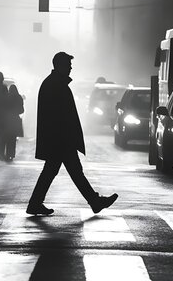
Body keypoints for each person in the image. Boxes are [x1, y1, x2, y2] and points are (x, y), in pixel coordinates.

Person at [27, 52, 118, 216]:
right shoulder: (56, 85)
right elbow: (62, 116)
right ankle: (94, 201)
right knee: (72, 171)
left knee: (58, 171)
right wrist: (69, 137)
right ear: (60, 66)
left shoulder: (53, 83)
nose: (70, 68)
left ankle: (35, 203)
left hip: (58, 139)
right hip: (60, 139)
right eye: (68, 65)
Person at [4, 84, 24, 161]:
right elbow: (22, 110)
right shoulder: (19, 98)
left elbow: (3, 108)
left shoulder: (6, 97)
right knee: (13, 138)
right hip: (15, 120)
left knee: (7, 138)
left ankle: (7, 154)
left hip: (7, 120)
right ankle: (12, 154)